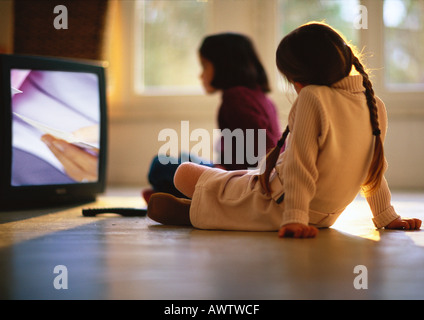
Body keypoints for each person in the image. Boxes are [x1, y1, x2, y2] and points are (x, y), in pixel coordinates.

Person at [147, 22, 422, 238]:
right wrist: (387, 216)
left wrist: (295, 217)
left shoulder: (312, 97)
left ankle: (195, 210)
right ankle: (204, 204)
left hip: (279, 204)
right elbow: (373, 168)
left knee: (182, 171)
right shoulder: (375, 105)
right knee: (231, 178)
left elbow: (301, 165)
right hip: (325, 214)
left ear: (301, 79)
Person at [144, 32, 282, 200]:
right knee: (185, 157)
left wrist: (222, 171)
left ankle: (170, 194)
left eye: (205, 66)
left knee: (159, 164)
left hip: (237, 180)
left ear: (224, 66)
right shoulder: (261, 98)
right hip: (236, 173)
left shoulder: (236, 98)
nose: (201, 75)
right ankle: (166, 193)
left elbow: (260, 153)